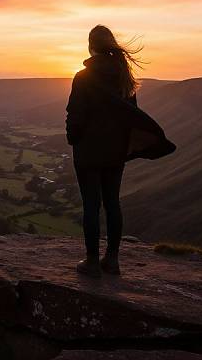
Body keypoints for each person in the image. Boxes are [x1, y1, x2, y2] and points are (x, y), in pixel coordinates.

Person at [65, 25, 143, 278]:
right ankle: (112, 260)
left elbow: (75, 115)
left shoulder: (83, 77)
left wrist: (73, 139)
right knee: (112, 203)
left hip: (88, 151)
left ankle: (91, 262)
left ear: (91, 46)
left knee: (91, 204)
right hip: (115, 151)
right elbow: (131, 115)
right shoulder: (124, 78)